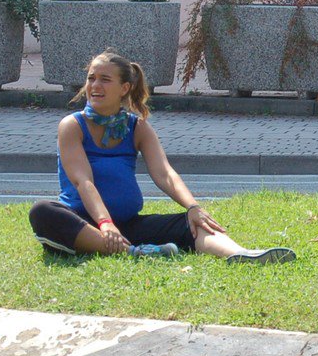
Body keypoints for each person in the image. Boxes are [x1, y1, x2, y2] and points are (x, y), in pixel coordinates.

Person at [29, 51, 296, 263]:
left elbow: (165, 174)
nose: (94, 85)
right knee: (43, 212)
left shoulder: (137, 127)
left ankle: (239, 255)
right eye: (91, 78)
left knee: (190, 223)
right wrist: (105, 223)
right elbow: (82, 181)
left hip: (128, 226)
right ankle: (133, 252)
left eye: (104, 79)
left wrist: (193, 207)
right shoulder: (72, 125)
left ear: (124, 88)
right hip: (85, 224)